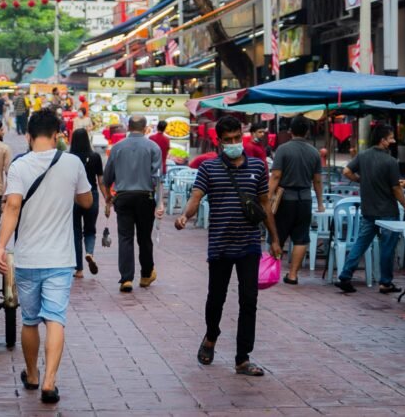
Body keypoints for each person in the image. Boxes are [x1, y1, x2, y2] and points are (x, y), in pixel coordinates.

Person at [0, 109, 93, 405]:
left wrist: (1, 246)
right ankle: (50, 382)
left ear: (28, 135)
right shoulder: (73, 162)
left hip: (27, 258)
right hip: (61, 259)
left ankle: (32, 374)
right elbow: (86, 202)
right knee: (55, 319)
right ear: (57, 135)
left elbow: (12, 207)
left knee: (29, 320)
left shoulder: (20, 166)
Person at [175, 116, 281, 376]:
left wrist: (275, 238)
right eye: (228, 140)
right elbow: (196, 197)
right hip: (220, 244)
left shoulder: (257, 166)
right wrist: (184, 216)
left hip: (249, 244)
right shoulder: (209, 169)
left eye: (237, 138)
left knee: (249, 300)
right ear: (219, 142)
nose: (234, 143)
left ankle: (242, 358)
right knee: (216, 299)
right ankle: (211, 335)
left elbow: (265, 204)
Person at [335, 124, 405, 294]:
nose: (393, 141)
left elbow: (347, 171)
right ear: (383, 140)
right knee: (387, 248)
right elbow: (396, 188)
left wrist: (360, 180)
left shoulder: (363, 156)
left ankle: (345, 275)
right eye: (391, 138)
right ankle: (385, 282)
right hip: (388, 212)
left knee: (361, 243)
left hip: (368, 210)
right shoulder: (390, 161)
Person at [103, 115, 165, 292]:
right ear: (146, 128)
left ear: (128, 127)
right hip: (145, 197)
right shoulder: (153, 147)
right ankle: (146, 275)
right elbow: (158, 177)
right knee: (144, 237)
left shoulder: (117, 147)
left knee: (125, 237)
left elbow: (107, 176)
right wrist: (160, 202)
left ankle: (126, 279)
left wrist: (108, 195)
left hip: (122, 196)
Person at [268, 116, 324, 285]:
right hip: (305, 199)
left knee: (277, 236)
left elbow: (276, 175)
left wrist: (267, 197)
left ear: (290, 131)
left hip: (285, 198)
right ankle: (293, 275)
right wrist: (320, 202)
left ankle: (273, 272)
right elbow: (318, 180)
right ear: (307, 132)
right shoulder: (314, 152)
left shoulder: (283, 150)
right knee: (301, 237)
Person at [69, 128, 105, 278]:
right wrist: (108, 199)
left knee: (76, 232)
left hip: (74, 197)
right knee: (90, 230)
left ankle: (79, 270)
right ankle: (89, 253)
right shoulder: (95, 156)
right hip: (92, 195)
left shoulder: (69, 158)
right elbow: (101, 181)